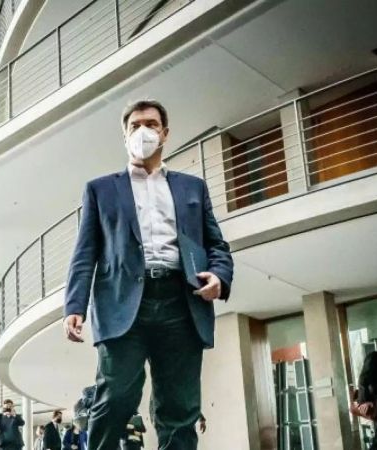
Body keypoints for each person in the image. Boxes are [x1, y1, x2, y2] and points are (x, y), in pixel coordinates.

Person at [63, 99, 233, 450]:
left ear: (165, 133)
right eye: (135, 125)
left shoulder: (192, 187)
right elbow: (85, 253)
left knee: (180, 408)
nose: (144, 131)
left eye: (152, 124)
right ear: (125, 136)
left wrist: (219, 276)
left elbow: (217, 244)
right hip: (124, 305)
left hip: (182, 302)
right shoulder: (100, 189)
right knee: (114, 400)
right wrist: (74, 305)